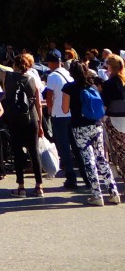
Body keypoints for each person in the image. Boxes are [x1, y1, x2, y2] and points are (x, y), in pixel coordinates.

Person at [62, 59, 120, 206]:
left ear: (71, 73)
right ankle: (113, 193)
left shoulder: (69, 88)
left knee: (88, 160)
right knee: (101, 158)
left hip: (79, 127)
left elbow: (64, 109)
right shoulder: (92, 86)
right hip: (96, 125)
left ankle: (97, 195)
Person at [2, 54, 44, 198]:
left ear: (15, 65)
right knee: (34, 151)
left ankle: (21, 187)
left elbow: (7, 95)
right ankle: (39, 186)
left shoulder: (7, 77)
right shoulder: (33, 79)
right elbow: (38, 104)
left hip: (15, 119)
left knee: (18, 152)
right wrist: (40, 123)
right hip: (31, 118)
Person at [44, 49, 84, 190]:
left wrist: (50, 110)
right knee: (76, 146)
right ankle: (85, 175)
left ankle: (71, 178)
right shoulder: (68, 74)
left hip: (59, 115)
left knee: (64, 148)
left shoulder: (52, 76)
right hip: (72, 114)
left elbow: (49, 96)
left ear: (51, 63)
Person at [101, 54, 125, 183]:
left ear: (110, 67)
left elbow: (105, 104)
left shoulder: (108, 84)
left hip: (114, 120)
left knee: (119, 152)